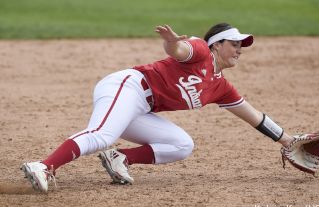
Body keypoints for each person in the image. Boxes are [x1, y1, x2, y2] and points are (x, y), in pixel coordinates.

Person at [22, 23, 295, 192]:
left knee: (181, 144)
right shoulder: (200, 50)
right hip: (128, 87)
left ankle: (120, 159)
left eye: (241, 46)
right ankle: (43, 166)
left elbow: (254, 116)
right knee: (102, 134)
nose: (239, 50)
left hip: (141, 108)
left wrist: (288, 140)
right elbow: (178, 51)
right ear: (217, 45)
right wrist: (172, 42)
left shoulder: (221, 87)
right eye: (234, 44)